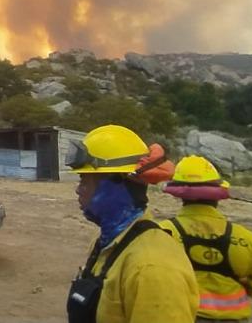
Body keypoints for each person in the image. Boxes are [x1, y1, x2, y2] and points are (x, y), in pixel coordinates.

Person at [64, 124, 199, 323]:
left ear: (114, 186)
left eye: (85, 180)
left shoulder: (153, 267)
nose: (78, 190)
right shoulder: (107, 244)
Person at [158, 156, 252, 322]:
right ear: (217, 195)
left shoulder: (163, 233)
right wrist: (241, 282)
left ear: (179, 195)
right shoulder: (245, 238)